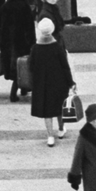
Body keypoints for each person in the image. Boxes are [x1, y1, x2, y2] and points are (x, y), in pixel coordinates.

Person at [30, 18, 74, 146]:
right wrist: (70, 82)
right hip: (59, 83)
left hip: (42, 84)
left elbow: (31, 66)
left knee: (47, 111)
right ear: (52, 30)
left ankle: (50, 136)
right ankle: (61, 129)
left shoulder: (35, 48)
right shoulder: (57, 47)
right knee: (60, 107)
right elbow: (65, 66)